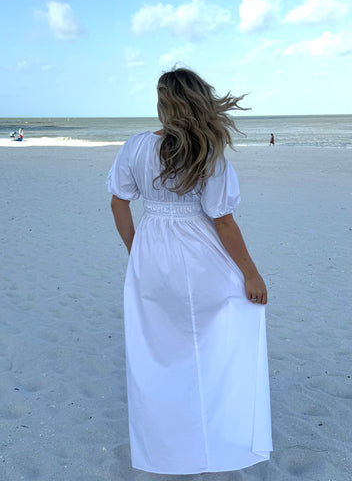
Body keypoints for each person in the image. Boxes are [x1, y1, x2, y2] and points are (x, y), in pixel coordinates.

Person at [107, 67, 272, 475]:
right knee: (219, 330)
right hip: (200, 253)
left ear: (164, 104)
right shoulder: (206, 151)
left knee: (158, 349)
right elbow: (223, 221)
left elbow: (119, 202)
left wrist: (136, 250)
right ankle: (215, 429)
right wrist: (251, 274)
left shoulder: (136, 146)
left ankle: (168, 446)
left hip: (152, 253)